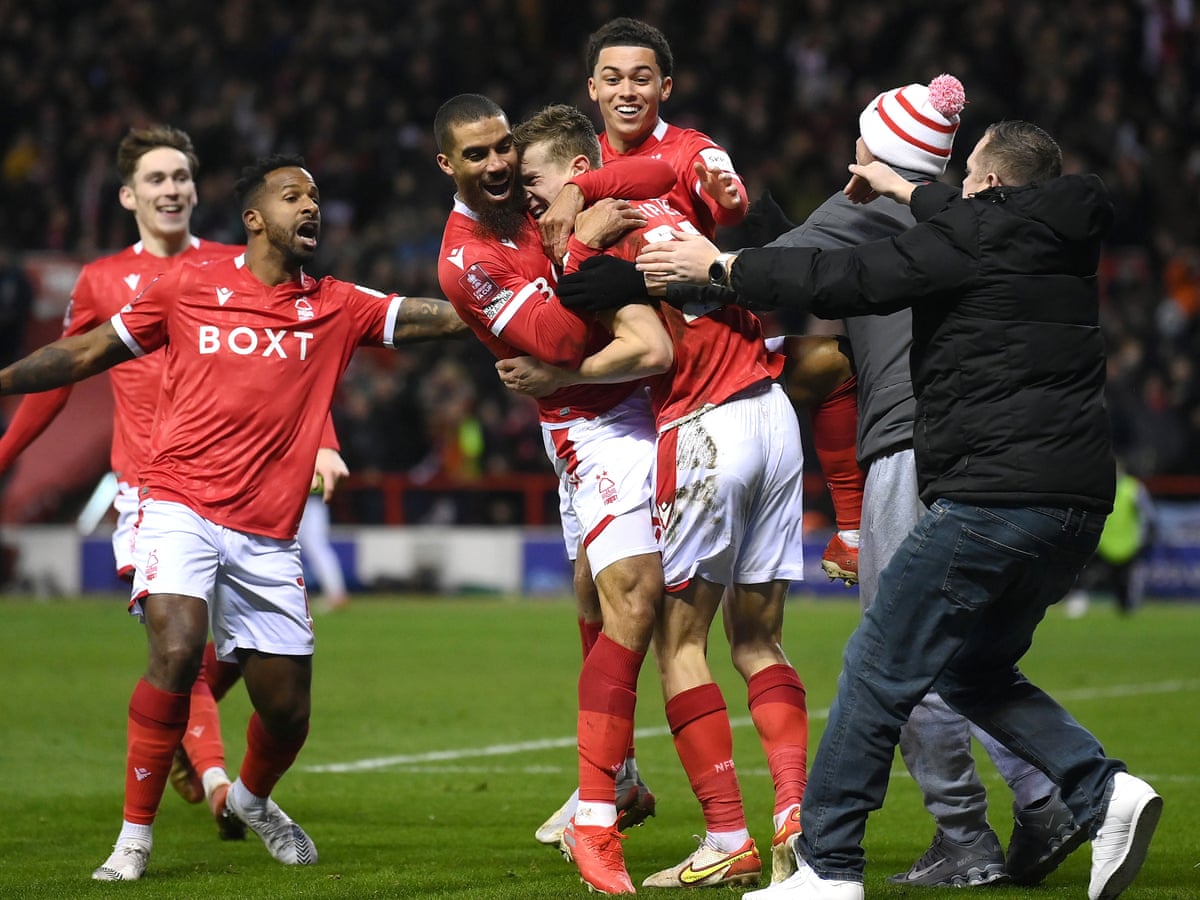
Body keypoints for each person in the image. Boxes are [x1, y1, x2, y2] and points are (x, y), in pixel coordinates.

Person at [605, 119, 1162, 900]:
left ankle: (828, 866)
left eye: (970, 175)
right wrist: (904, 186)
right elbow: (954, 212)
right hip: (1073, 505)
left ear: (993, 188)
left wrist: (722, 263)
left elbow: (849, 278)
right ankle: (1102, 792)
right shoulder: (1060, 234)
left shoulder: (966, 237)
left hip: (992, 494)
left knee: (876, 663)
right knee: (970, 666)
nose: (958, 187)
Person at [0, 153, 468, 882]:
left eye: (316, 197)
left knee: (287, 713)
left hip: (268, 532)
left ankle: (250, 799)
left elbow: (435, 318)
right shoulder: (187, 286)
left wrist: (510, 301)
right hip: (175, 499)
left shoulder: (337, 304)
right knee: (178, 647)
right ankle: (133, 838)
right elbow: (86, 350)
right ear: (254, 218)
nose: (311, 208)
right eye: (292, 196)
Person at [753, 76, 1080, 889]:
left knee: (898, 654)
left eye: (860, 143)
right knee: (964, 651)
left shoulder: (855, 214)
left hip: (907, 447)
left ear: (876, 154)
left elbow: (757, 279)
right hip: (988, 455)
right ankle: (1046, 795)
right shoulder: (977, 218)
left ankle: (963, 835)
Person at [500, 103, 810, 890]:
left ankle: (728, 834)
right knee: (759, 640)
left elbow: (650, 347)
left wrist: (559, 373)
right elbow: (675, 171)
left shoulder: (594, 242)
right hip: (775, 416)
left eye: (535, 182)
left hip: (706, 425)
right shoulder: (668, 202)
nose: (526, 197)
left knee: (677, 642)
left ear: (577, 175)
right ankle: (795, 815)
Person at [434, 93, 678, 895]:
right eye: (477, 156)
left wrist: (581, 198)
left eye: (504, 147)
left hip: (630, 406)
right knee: (637, 598)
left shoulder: (540, 195)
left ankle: (622, 779)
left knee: (597, 592)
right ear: (449, 166)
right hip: (595, 423)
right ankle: (599, 818)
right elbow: (562, 341)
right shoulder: (467, 257)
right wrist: (579, 244)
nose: (499, 164)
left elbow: (660, 166)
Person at [537, 16, 864, 587]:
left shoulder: (689, 149)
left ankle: (855, 532)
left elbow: (716, 186)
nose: (627, 91)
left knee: (834, 361)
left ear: (665, 86)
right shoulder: (573, 161)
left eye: (642, 78)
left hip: (696, 362)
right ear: (592, 88)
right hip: (623, 384)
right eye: (612, 79)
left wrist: (726, 199)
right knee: (607, 589)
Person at [0, 125, 250, 839]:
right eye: (156, 180)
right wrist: (4, 453)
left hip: (236, 485)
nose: (171, 189)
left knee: (247, 650)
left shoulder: (236, 266)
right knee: (179, 645)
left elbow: (287, 361)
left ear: (197, 189)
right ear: (128, 195)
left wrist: (322, 444)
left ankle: (172, 731)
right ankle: (216, 783)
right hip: (150, 489)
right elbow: (63, 375)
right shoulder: (103, 280)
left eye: (180, 177)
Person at [1065, 461, 1158, 617]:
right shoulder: (1098, 486)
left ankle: (1126, 608)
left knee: (1123, 590)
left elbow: (1149, 516)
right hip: (1102, 543)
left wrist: (1145, 539)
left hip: (1128, 545)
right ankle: (1077, 602)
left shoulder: (1133, 488)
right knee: (1082, 573)